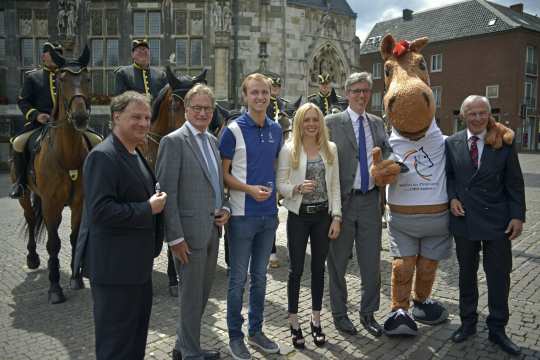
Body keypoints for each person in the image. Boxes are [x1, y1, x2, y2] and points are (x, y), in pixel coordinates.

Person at [74, 91, 167, 359]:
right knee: (115, 345)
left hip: (136, 270)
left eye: (147, 117)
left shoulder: (135, 152)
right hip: (114, 272)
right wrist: (147, 208)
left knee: (135, 340)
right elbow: (100, 211)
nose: (143, 123)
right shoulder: (103, 156)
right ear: (116, 117)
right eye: (135, 117)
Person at [446, 95, 525, 356]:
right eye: (472, 114)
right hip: (465, 219)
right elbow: (449, 176)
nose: (478, 118)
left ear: (489, 115)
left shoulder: (503, 142)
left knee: (498, 277)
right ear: (463, 116)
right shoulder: (453, 142)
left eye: (482, 113)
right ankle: (468, 323)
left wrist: (517, 216)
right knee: (466, 275)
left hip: (497, 222)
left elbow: (514, 182)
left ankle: (497, 329)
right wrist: (452, 197)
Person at [156, 84, 229, 360]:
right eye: (196, 108)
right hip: (187, 236)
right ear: (186, 110)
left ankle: (182, 347)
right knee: (190, 297)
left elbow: (215, 185)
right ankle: (190, 353)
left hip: (212, 231)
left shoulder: (211, 140)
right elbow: (167, 193)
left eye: (207, 108)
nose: (202, 113)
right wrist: (174, 238)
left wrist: (224, 209)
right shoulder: (173, 141)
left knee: (200, 295)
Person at [219, 73, 283, 360]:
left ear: (270, 95)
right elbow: (223, 174)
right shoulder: (233, 130)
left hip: (269, 216)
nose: (260, 97)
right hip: (242, 216)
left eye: (264, 92)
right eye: (254, 92)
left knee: (260, 278)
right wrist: (248, 189)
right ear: (245, 95)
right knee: (237, 280)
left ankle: (256, 332)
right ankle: (235, 336)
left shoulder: (277, 129)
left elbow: (274, 166)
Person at [325, 72, 391, 337]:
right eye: (356, 91)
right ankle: (340, 314)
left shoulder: (376, 124)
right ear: (346, 93)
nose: (362, 95)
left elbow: (387, 150)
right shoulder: (331, 122)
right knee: (338, 263)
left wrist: (394, 161)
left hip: (370, 202)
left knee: (371, 263)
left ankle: (368, 313)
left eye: (365, 90)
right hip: (342, 204)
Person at [276, 102, 341, 349]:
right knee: (296, 270)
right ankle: (294, 320)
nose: (311, 124)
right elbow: (280, 185)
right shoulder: (289, 149)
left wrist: (337, 216)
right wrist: (296, 188)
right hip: (299, 217)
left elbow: (334, 186)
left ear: (321, 123)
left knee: (318, 269)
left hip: (323, 216)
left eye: (315, 119)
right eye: (307, 120)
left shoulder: (330, 149)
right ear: (299, 122)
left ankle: (316, 319)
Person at [10, 42, 62, 198]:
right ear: (43, 56)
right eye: (52, 53)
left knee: (96, 140)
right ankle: (20, 183)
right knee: (18, 143)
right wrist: (36, 115)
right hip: (39, 124)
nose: (55, 56)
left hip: (65, 124)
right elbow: (23, 101)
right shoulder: (33, 77)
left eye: (58, 54)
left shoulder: (67, 75)